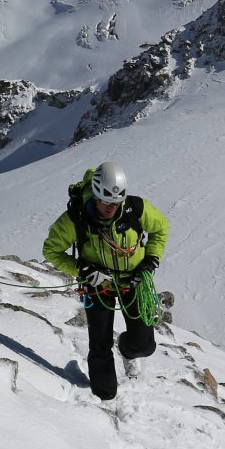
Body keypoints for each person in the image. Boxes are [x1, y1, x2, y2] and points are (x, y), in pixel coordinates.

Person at [41, 162, 169, 401]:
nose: (112, 208)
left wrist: (151, 260)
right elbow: (51, 250)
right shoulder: (76, 218)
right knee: (99, 343)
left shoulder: (135, 209)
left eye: (116, 203)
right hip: (97, 286)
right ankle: (104, 397)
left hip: (134, 281)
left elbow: (161, 228)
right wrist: (82, 268)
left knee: (144, 345)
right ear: (96, 195)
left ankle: (127, 349)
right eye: (106, 202)